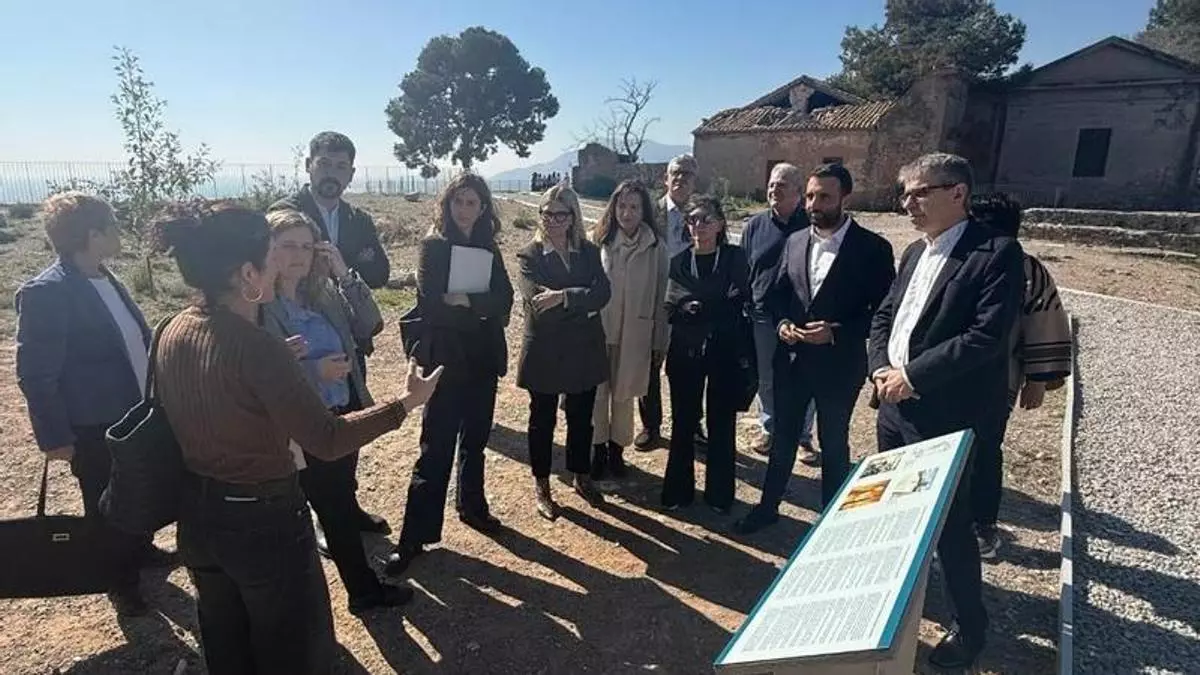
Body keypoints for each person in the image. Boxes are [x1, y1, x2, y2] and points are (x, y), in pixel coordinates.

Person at [152, 200, 441, 674]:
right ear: (248, 274)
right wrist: (405, 403)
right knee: (291, 649)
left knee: (226, 642)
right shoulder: (258, 346)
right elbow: (326, 439)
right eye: (271, 256)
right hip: (262, 523)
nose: (281, 264)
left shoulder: (171, 328)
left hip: (198, 520)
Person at [868, 153, 1023, 669]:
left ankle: (969, 628)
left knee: (951, 527)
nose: (906, 203)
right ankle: (897, 605)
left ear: (958, 193)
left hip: (946, 414)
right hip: (893, 408)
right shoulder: (915, 251)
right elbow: (886, 316)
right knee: (894, 513)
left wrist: (912, 376)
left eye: (919, 192)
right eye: (905, 193)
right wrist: (880, 369)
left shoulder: (996, 253)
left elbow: (985, 337)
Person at [14, 192, 162, 616]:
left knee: (138, 492)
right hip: (93, 424)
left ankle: (141, 550)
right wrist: (54, 436)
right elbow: (36, 374)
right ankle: (119, 582)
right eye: (112, 226)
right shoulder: (48, 292)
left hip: (132, 413)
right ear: (93, 235)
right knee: (105, 505)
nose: (119, 232)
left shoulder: (105, 277)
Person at [260, 209, 411, 613]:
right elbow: (257, 376)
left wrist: (344, 274)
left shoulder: (322, 291)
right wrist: (313, 371)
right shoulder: (259, 308)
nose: (298, 255)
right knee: (334, 508)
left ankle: (350, 534)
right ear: (267, 249)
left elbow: (370, 324)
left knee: (340, 494)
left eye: (306, 246)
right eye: (287, 246)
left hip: (344, 409)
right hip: (305, 425)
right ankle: (363, 591)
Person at [736, 164, 895, 533]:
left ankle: (831, 525)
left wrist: (837, 332)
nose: (813, 204)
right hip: (792, 362)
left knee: (834, 444)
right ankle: (768, 508)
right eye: (809, 196)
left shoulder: (873, 248)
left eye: (824, 196)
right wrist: (781, 324)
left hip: (840, 366)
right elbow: (776, 295)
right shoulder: (794, 242)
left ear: (844, 198)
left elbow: (884, 312)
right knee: (782, 438)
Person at [384, 173, 514, 577]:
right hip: (446, 360)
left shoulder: (488, 246)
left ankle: (472, 506)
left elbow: (506, 299)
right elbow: (432, 307)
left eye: (472, 202)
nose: (464, 209)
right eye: (458, 201)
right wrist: (480, 310)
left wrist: (467, 302)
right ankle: (413, 538)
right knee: (435, 447)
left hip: (482, 360)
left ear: (483, 207)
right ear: (447, 203)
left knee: (475, 440)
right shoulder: (434, 246)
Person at [270, 131, 391, 537]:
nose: (331, 174)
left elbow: (380, 273)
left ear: (351, 174)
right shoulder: (284, 212)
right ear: (308, 166)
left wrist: (343, 267)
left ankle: (346, 506)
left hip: (349, 339)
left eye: (341, 167)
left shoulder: (358, 219)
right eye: (324, 164)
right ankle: (322, 518)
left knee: (348, 429)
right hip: (301, 346)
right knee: (307, 438)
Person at [969, 192, 1073, 558]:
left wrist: (1038, 381)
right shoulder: (958, 259)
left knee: (984, 450)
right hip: (944, 378)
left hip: (998, 379)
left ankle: (982, 527)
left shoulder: (1028, 270)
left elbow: (1043, 320)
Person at [515, 184, 610, 519]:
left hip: (583, 349)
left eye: (559, 214)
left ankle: (581, 476)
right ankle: (542, 485)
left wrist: (564, 296)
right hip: (546, 350)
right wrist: (582, 302)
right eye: (546, 213)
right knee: (542, 420)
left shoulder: (588, 251)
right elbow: (536, 303)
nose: (551, 220)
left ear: (572, 216)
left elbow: (604, 294)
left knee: (581, 418)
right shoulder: (529, 255)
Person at [660, 195, 751, 514]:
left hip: (724, 349)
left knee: (721, 421)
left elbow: (742, 297)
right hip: (685, 351)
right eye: (693, 220)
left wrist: (701, 305)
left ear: (720, 224)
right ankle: (678, 491)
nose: (699, 225)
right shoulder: (679, 262)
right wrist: (689, 306)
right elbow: (670, 305)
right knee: (683, 420)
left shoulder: (735, 257)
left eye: (706, 219)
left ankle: (719, 495)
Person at [590, 180, 669, 482]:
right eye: (622, 206)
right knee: (598, 395)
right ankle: (597, 450)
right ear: (613, 208)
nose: (627, 213)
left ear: (644, 210)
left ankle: (617, 451)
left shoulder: (656, 247)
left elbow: (662, 296)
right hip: (600, 331)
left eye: (634, 207)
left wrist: (659, 340)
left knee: (624, 397)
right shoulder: (598, 241)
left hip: (635, 333)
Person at [740, 163, 817, 461]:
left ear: (798, 191)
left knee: (803, 377)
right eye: (772, 184)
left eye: (782, 185)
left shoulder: (811, 225)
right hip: (762, 316)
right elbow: (745, 269)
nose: (774, 189)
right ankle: (769, 428)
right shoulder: (755, 226)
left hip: (800, 317)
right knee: (767, 377)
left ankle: (803, 437)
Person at [635, 154, 699, 451]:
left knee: (687, 366)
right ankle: (651, 425)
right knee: (649, 364)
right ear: (666, 178)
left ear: (695, 181)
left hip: (688, 303)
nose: (681, 178)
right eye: (676, 173)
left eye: (687, 174)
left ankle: (691, 424)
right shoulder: (650, 213)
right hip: (653, 298)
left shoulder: (702, 213)